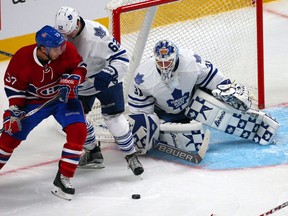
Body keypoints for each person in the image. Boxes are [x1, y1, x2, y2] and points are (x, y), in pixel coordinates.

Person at [128, 40, 279, 154]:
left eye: (167, 61)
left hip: (194, 102)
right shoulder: (143, 76)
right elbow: (141, 111)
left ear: (175, 58)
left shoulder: (191, 61)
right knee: (194, 141)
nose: (164, 66)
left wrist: (228, 91)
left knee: (221, 109)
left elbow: (216, 81)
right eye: (159, 62)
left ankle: (254, 125)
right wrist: (146, 128)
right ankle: (165, 134)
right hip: (165, 114)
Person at [0, 25, 87, 201]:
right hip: (33, 102)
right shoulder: (22, 59)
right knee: (9, 136)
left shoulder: (66, 50)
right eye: (57, 49)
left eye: (62, 46)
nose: (62, 51)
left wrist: (75, 77)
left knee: (79, 131)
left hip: (63, 99)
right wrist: (14, 112)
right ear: (42, 49)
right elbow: (15, 90)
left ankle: (64, 177)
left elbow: (80, 67)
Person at [55, 6, 144, 175]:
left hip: (105, 81)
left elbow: (121, 58)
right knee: (75, 121)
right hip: (79, 83)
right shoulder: (61, 32)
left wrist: (109, 73)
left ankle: (131, 155)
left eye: (68, 33)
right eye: (62, 33)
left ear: (77, 23)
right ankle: (93, 153)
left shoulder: (96, 35)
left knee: (113, 119)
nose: (65, 37)